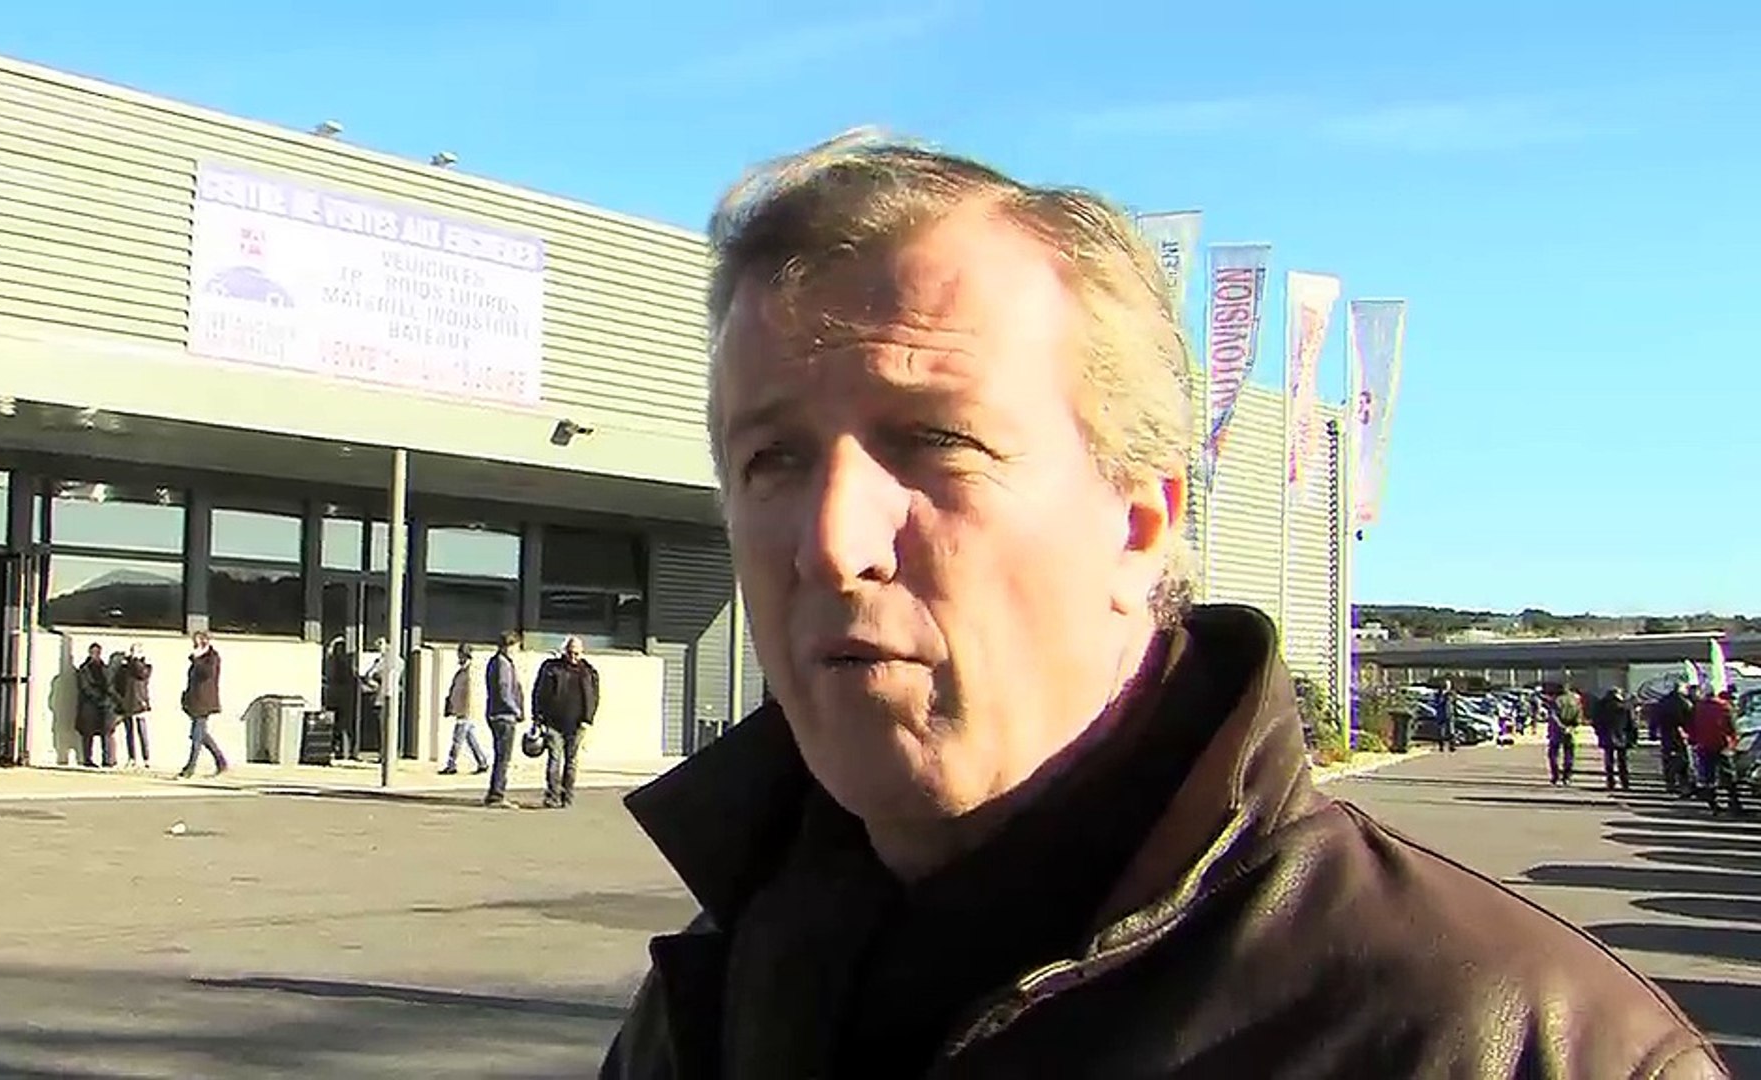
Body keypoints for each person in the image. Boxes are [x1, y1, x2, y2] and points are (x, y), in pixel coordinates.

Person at [599, 132, 1726, 1078]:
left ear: (1139, 523)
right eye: (771, 460)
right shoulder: (719, 983)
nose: (833, 544)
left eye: (937, 440)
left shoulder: (1518, 1044)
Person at [530, 635, 598, 809]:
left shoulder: (588, 671)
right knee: (554, 760)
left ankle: (567, 796)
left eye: (576, 653)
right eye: (570, 652)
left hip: (577, 725)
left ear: (582, 652)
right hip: (553, 723)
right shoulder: (551, 668)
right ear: (564, 651)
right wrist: (537, 717)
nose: (573, 657)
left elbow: (594, 697)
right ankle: (552, 796)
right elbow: (539, 692)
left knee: (571, 762)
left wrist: (588, 719)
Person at [483, 630, 526, 808]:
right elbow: (504, 691)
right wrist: (516, 710)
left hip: (495, 714)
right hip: (504, 716)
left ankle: (495, 792)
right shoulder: (503, 664)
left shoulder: (494, 662)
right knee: (503, 758)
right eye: (515, 647)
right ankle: (497, 794)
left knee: (500, 756)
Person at [178, 629, 228, 779]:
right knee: (201, 735)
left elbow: (207, 674)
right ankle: (221, 762)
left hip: (204, 702)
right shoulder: (197, 659)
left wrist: (197, 659)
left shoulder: (212, 657)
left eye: (197, 642)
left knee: (196, 736)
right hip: (195, 701)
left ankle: (190, 768)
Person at [1688, 688, 1743, 816]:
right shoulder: (1724, 706)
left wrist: (1693, 740)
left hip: (1703, 745)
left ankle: (1713, 804)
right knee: (1728, 773)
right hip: (1721, 744)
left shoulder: (1697, 708)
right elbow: (1732, 726)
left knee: (1708, 775)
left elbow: (1691, 726)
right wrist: (1734, 740)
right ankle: (1734, 802)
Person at [438, 643, 490, 776]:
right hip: (461, 710)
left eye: (460, 654)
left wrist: (465, 710)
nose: (459, 657)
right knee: (471, 738)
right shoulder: (462, 671)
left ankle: (451, 764)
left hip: (465, 711)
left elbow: (470, 693)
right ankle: (482, 761)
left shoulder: (471, 672)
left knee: (457, 739)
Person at [74, 642, 116, 768]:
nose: (95, 655)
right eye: (93, 652)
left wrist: (109, 699)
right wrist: (98, 697)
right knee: (88, 733)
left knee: (106, 732)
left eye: (97, 652)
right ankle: (87, 759)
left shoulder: (104, 668)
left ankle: (107, 759)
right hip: (89, 705)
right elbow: (84, 687)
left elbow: (110, 685)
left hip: (104, 705)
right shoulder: (84, 669)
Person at [114, 642, 154, 770]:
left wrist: (136, 660)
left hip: (140, 703)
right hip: (127, 703)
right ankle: (132, 757)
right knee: (129, 732)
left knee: (142, 731)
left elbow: (141, 674)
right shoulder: (124, 668)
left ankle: (146, 758)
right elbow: (118, 683)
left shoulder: (145, 667)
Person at [1593, 686, 1634, 792]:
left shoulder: (1601, 706)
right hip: (1622, 735)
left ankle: (1610, 781)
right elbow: (1631, 723)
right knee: (1622, 761)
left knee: (1609, 760)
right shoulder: (1625, 706)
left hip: (1606, 735)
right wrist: (1632, 737)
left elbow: (1596, 721)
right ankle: (1625, 782)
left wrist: (1598, 732)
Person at [1548, 684, 1582, 786]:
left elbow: (1553, 715)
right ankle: (1567, 776)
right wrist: (1572, 727)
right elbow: (1579, 716)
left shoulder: (1556, 701)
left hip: (1556, 731)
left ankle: (1555, 775)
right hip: (1570, 730)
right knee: (1569, 754)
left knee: (1553, 754)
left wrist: (1561, 726)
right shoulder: (1575, 701)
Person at [1432, 678, 1458, 752]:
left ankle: (1452, 746)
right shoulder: (1439, 694)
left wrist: (1454, 712)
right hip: (1441, 714)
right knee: (1441, 731)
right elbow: (1437, 703)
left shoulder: (1451, 694)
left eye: (1448, 685)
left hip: (1450, 714)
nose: (1446, 686)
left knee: (1451, 731)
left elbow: (1453, 703)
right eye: (1445, 685)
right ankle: (1441, 746)